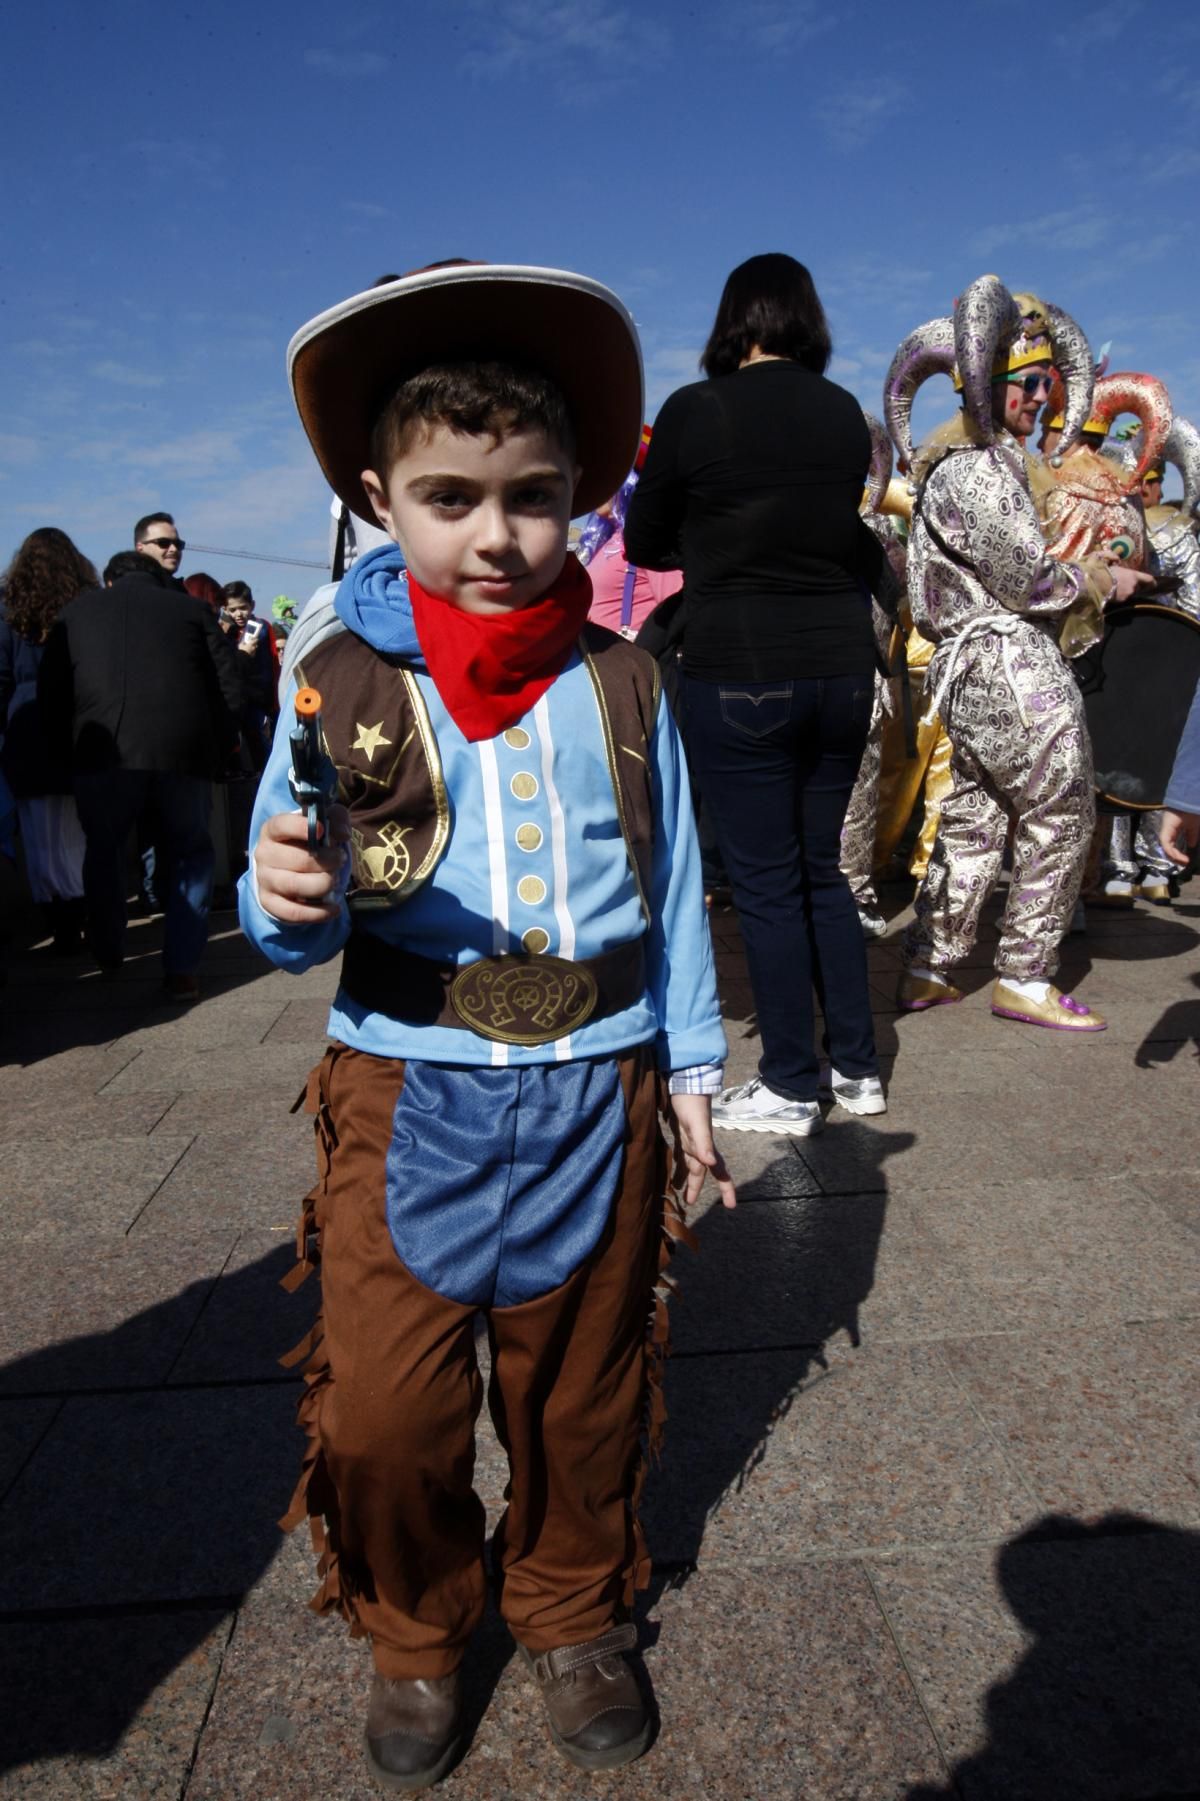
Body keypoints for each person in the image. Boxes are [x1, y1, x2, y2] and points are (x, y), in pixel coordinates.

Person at [240, 260, 733, 1788]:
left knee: (580, 1393)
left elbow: (677, 885)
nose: (496, 534)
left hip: (601, 1081)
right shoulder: (334, 679)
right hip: (407, 1085)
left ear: (579, 496)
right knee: (386, 1412)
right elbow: (281, 893)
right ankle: (416, 1628)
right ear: (382, 498)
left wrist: (697, 1071)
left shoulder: (626, 679)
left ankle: (575, 1606)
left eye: (530, 496)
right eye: (451, 496)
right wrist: (282, 889)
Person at [625, 252, 888, 1134]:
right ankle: (856, 1065)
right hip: (842, 670)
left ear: (734, 318)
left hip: (741, 669)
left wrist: (713, 551)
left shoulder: (695, 411)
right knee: (826, 872)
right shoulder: (845, 417)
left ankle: (787, 1079)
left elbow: (644, 538)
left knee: (767, 885)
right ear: (806, 318)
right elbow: (844, 530)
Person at [883, 276, 1153, 1030]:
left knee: (976, 815)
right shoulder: (979, 468)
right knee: (1063, 807)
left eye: (1050, 384)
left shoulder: (971, 466)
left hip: (971, 665)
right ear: (985, 382)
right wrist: (1104, 575)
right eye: (1030, 384)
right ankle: (1026, 973)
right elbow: (1030, 579)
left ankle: (932, 964)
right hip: (1005, 657)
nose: (1044, 399)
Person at [38, 547, 244, 999]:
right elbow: (227, 685)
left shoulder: (73, 614)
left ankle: (109, 948)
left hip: (102, 754)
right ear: (157, 579)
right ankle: (183, 969)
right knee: (191, 852)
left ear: (111, 581)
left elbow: (51, 695)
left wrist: (65, 753)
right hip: (183, 753)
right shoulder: (192, 610)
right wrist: (226, 744)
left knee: (104, 850)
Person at [0, 528, 95, 952]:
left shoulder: (8, 612)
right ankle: (85, 910)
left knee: (40, 836)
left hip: (28, 729)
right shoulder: (85, 608)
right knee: (80, 830)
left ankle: (61, 925)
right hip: (79, 726)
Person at [133, 512, 186, 581]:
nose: (174, 549)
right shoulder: (129, 587)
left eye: (178, 544)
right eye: (163, 543)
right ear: (140, 548)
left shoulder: (180, 589)